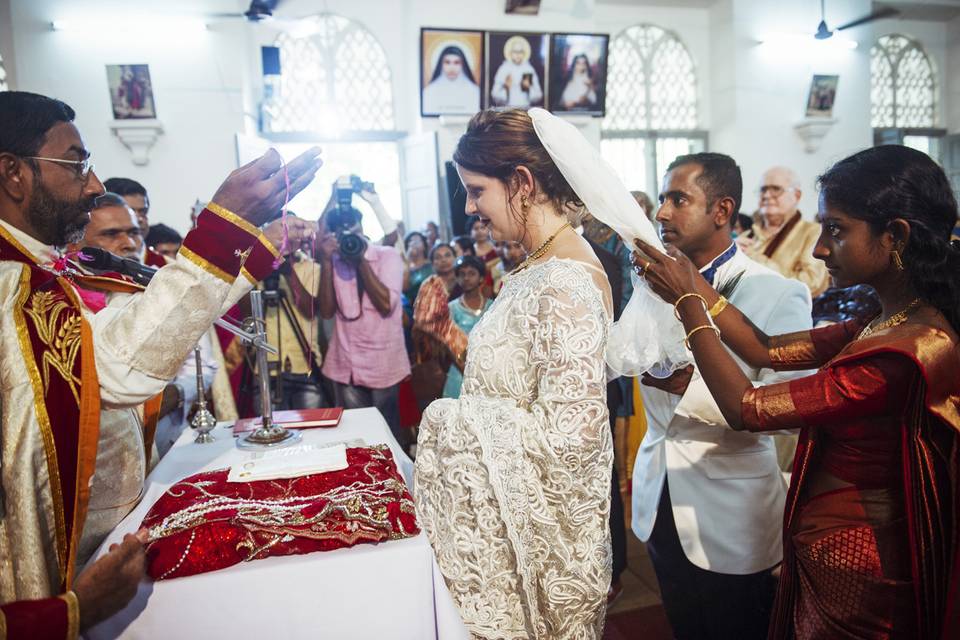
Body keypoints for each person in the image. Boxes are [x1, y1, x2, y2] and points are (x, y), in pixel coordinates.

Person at [0, 90, 321, 635]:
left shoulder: (45, 272)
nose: (95, 184)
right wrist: (223, 225)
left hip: (109, 547)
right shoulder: (13, 286)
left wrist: (250, 247)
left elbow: (154, 317)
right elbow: (122, 368)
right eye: (77, 162)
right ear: (14, 174)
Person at [632, 144, 960, 640]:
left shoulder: (907, 351)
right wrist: (697, 291)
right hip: (819, 540)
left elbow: (751, 408)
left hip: (862, 560)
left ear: (894, 235)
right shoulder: (878, 321)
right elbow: (766, 349)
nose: (820, 249)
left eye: (836, 230)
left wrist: (688, 300)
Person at [415, 108, 614, 638]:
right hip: (500, 532)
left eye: (476, 190)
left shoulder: (567, 282)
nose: (470, 207)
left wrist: (447, 423)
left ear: (521, 183)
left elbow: (573, 445)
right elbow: (509, 388)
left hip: (535, 557)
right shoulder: (536, 266)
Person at [629, 153, 812, 640]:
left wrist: (692, 387)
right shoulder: (651, 282)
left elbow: (792, 410)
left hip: (733, 510)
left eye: (678, 199)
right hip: (659, 493)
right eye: (662, 198)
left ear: (722, 209)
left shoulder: (777, 292)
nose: (662, 212)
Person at [316, 204, 410, 446]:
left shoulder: (387, 255)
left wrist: (360, 261)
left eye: (351, 224)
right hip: (346, 363)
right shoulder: (334, 261)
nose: (347, 231)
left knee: (387, 439)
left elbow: (386, 304)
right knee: (357, 440)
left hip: (383, 365)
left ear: (362, 225)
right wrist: (326, 262)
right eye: (340, 228)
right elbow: (325, 311)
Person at [738, 166, 830, 297]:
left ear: (797, 195)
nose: (767, 195)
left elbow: (811, 284)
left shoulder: (813, 232)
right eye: (763, 190)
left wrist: (755, 258)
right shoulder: (747, 235)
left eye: (776, 189)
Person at [441, 255, 491, 398]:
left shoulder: (492, 305)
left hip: (487, 366)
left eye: (472, 274)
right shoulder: (451, 308)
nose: (466, 278)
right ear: (457, 279)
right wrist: (465, 369)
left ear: (481, 277)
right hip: (460, 370)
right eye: (462, 275)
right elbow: (449, 345)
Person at [102, 176, 166, 268]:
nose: (139, 219)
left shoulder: (167, 267)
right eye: (129, 211)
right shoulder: (84, 262)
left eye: (143, 211)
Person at [422, 45, 481, 115]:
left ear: (463, 64)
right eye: (447, 62)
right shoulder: (429, 91)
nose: (452, 68)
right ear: (441, 64)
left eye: (456, 62)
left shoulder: (474, 91)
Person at [490, 35, 543, 108]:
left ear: (524, 53)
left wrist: (529, 88)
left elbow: (538, 95)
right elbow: (494, 95)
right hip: (507, 110)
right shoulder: (503, 69)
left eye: (520, 52)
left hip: (525, 109)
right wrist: (506, 87)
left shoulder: (529, 69)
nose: (518, 55)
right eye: (515, 52)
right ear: (510, 53)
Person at [402, 230, 433, 304]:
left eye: (417, 241)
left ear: (424, 246)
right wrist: (408, 259)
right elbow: (404, 288)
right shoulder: (404, 268)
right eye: (410, 241)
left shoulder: (431, 265)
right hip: (410, 306)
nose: (413, 244)